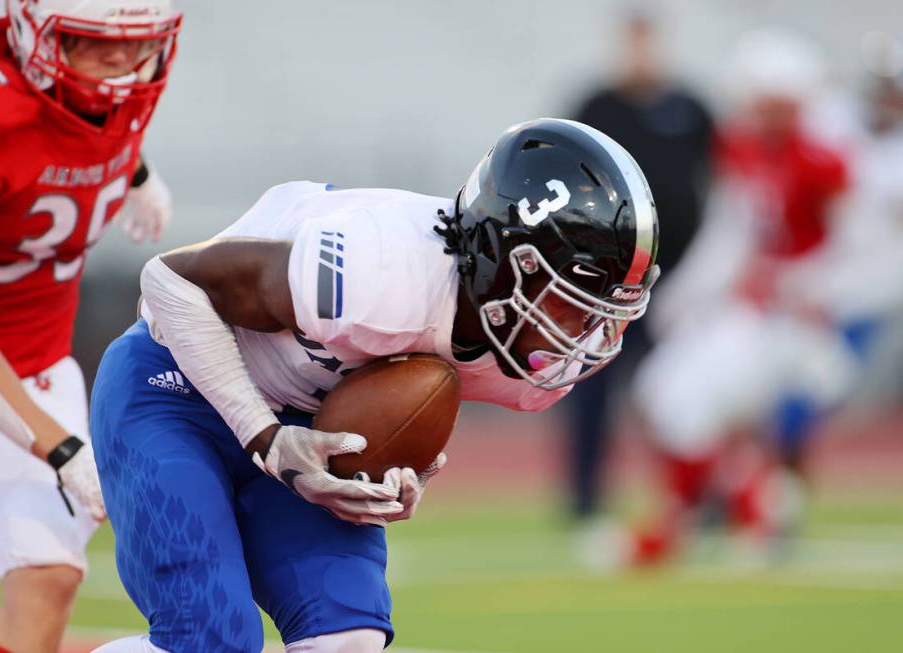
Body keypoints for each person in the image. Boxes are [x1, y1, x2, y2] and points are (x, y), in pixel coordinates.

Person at [88, 118, 660, 653]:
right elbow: (167, 282)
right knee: (212, 636)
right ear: (506, 263)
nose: (585, 333)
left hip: (306, 428)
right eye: (572, 301)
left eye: (602, 310)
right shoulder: (374, 270)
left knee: (349, 638)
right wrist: (262, 435)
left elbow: (404, 399)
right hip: (176, 389)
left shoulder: (530, 365)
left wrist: (402, 468)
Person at [0, 2, 181, 652]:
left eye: (139, 45)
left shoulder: (108, 86)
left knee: (48, 579)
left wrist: (138, 172)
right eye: (93, 44)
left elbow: (91, 118)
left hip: (29, 364)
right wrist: (61, 448)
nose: (121, 69)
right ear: (35, 35)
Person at [629, 28, 854, 564]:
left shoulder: (825, 159)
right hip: (751, 310)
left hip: (797, 323)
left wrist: (818, 286)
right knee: (662, 393)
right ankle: (750, 506)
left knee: (687, 403)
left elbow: (861, 243)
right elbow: (732, 235)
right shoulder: (746, 148)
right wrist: (684, 294)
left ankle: (707, 518)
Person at [562, 12, 713, 531]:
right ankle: (584, 495)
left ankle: (688, 489)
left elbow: (720, 181)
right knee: (588, 382)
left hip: (676, 280)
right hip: (609, 280)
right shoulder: (596, 106)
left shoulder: (690, 108)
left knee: (680, 389)